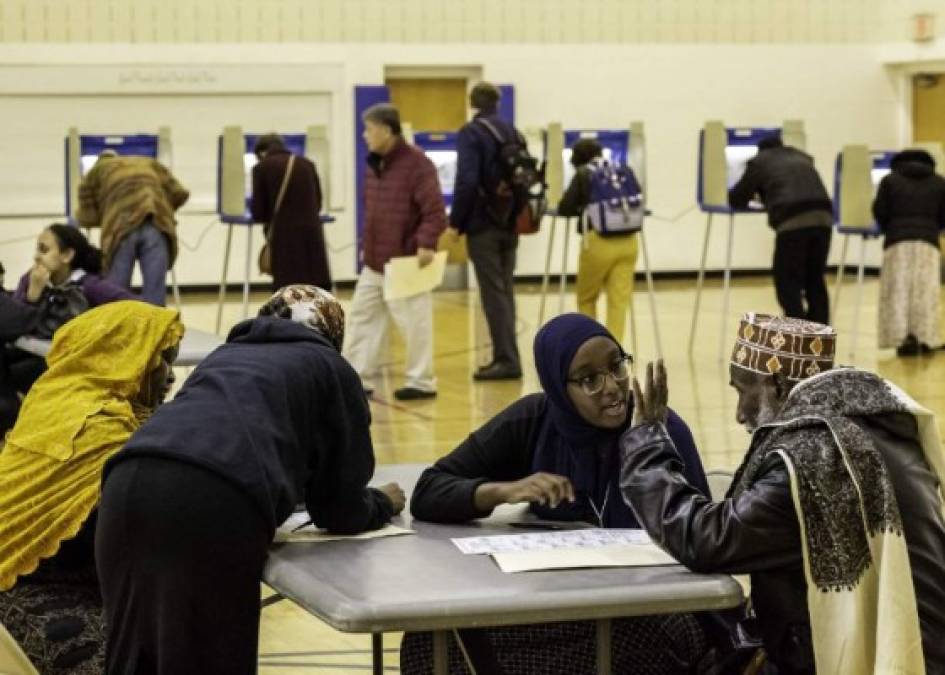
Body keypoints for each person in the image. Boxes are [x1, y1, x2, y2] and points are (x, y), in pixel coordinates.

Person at [95, 285, 406, 675]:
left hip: (124, 481)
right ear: (331, 335)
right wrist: (380, 502)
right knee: (210, 661)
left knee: (134, 659)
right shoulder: (330, 367)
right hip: (210, 498)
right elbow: (339, 508)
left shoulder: (223, 357)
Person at [620, 313, 945, 675]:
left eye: (743, 390)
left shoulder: (807, 458)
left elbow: (704, 538)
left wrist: (646, 444)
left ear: (776, 383)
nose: (740, 414)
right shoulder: (877, 419)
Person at [404, 313, 711, 674]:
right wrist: (504, 491)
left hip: (654, 605)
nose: (612, 386)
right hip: (563, 602)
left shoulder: (660, 427)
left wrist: (648, 447)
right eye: (589, 380)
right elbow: (429, 490)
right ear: (557, 389)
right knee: (430, 642)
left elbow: (703, 542)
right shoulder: (535, 420)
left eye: (617, 367)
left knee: (632, 642)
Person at [0, 301, 183, 675]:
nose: (170, 377)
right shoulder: (102, 431)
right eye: (160, 359)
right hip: (27, 588)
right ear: (121, 358)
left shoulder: (53, 396)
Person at [343, 103, 447, 401]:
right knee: (363, 317)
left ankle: (421, 381)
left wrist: (426, 242)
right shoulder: (375, 164)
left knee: (414, 324)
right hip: (375, 261)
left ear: (387, 130)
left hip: (406, 261)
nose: (365, 136)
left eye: (369, 129)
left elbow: (435, 213)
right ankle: (356, 377)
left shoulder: (418, 164)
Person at [1, 224, 136, 435]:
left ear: (67, 255)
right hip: (37, 357)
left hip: (76, 365)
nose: (37, 257)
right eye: (37, 249)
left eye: (44, 250)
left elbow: (135, 308)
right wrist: (32, 295)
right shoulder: (31, 280)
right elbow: (17, 323)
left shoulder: (89, 285)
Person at [447, 82, 523, 381]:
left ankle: (506, 360)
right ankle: (509, 355)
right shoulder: (512, 132)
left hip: (483, 225)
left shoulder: (472, 132)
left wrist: (456, 223)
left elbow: (466, 180)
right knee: (505, 290)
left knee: (493, 294)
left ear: (472, 103)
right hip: (509, 222)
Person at [729, 136, 833, 324]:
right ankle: (819, 337)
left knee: (787, 281)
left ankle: (797, 333)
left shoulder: (759, 162)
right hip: (824, 218)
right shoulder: (803, 157)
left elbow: (737, 197)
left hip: (792, 221)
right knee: (815, 279)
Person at [77, 150, 189, 305]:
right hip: (156, 222)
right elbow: (180, 193)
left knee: (115, 293)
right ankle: (155, 327)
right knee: (155, 291)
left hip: (120, 228)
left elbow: (86, 217)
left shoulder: (96, 171)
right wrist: (164, 208)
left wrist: (107, 211)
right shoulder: (148, 162)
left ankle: (120, 327)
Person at [558, 139, 640, 345]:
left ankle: (592, 348)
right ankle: (616, 352)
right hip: (630, 242)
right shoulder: (622, 168)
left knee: (587, 298)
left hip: (598, 242)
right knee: (619, 302)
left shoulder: (584, 173)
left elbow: (565, 207)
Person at [872, 148, 945, 356]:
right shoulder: (939, 181)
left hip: (897, 241)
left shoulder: (889, 181)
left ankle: (901, 340)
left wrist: (890, 228)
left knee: (898, 293)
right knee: (925, 292)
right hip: (928, 243)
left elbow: (879, 211)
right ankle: (924, 338)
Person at [251, 133, 332, 291]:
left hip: (284, 241)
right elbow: (318, 203)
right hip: (312, 238)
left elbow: (258, 212)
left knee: (288, 293)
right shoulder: (307, 164)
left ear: (261, 152)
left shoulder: (261, 168)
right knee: (315, 290)